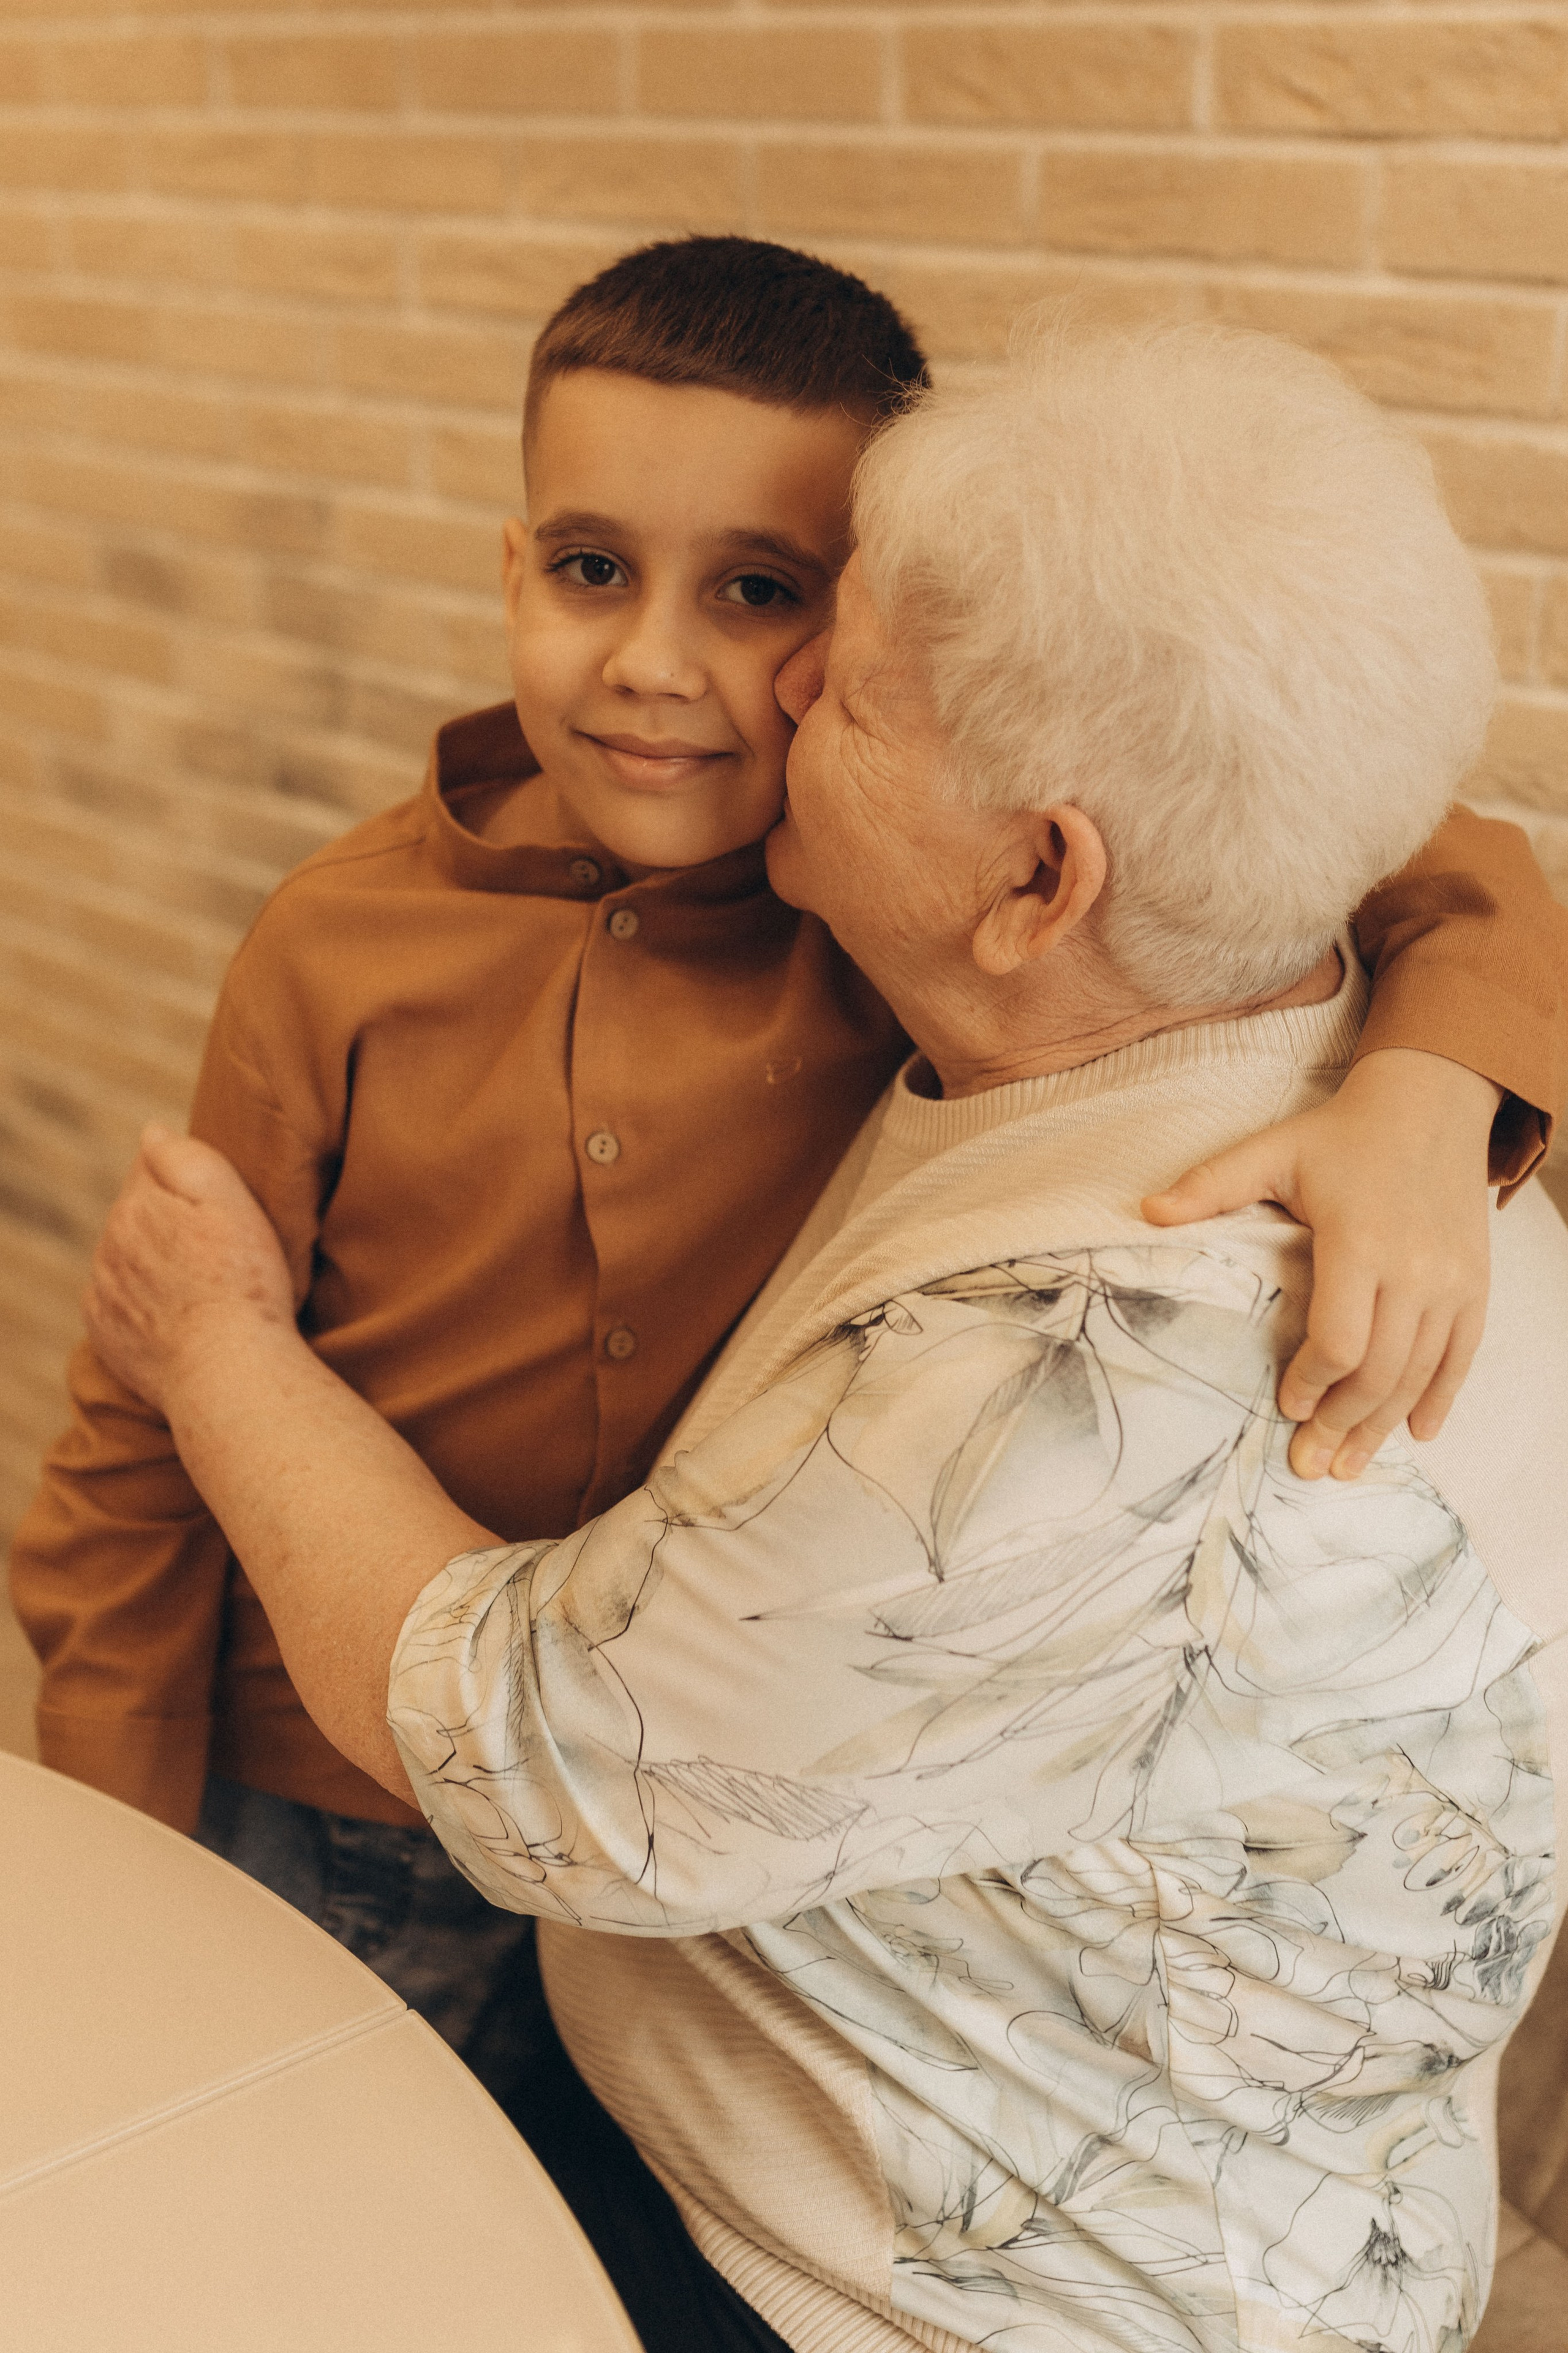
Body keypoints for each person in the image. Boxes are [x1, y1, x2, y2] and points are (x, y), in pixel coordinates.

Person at [85, 320, 1568, 2353]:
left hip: (914, 2295)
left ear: (1041, 877)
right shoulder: (1264, 1006)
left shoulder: (1089, 1379)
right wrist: (1444, 1067)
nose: (765, 691)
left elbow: (524, 1750)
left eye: (839, 673)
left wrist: (217, 1339)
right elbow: (1425, 839)